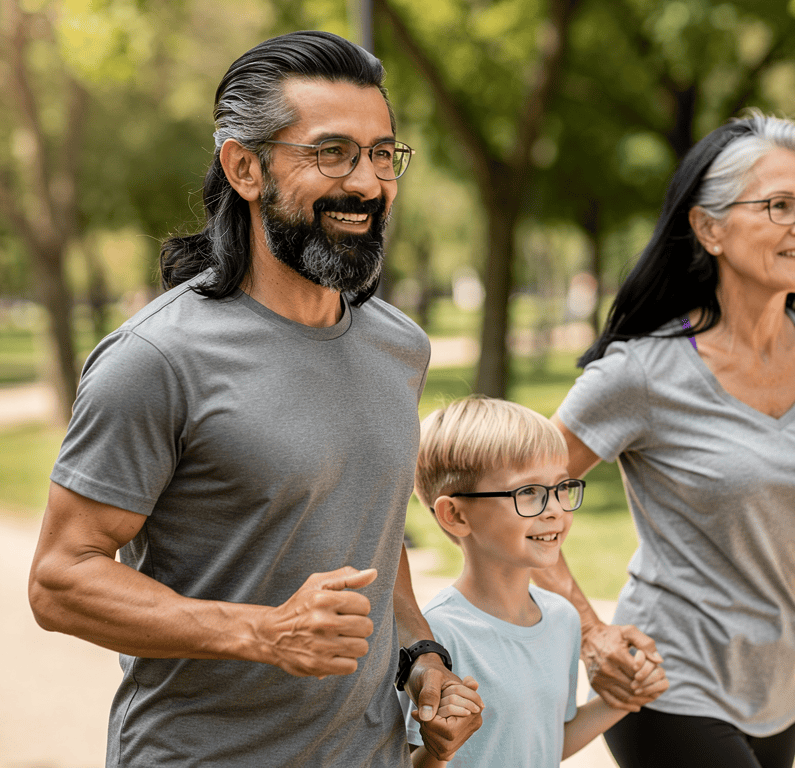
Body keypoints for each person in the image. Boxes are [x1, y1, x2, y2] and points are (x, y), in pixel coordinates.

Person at [27, 30, 482, 767]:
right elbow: (60, 580)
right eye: (332, 152)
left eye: (381, 154)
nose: (367, 184)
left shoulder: (399, 345)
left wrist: (420, 655)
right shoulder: (156, 359)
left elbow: (367, 525)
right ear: (244, 166)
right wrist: (261, 633)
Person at [531, 111, 795, 768]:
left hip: (780, 690)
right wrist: (590, 632)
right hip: (668, 682)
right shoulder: (644, 373)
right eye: (780, 205)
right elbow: (516, 494)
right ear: (709, 227)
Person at [403, 397, 669, 767]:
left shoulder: (562, 618)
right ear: (456, 515)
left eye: (562, 487)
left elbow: (545, 742)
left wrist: (623, 697)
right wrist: (437, 750)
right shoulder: (435, 638)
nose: (556, 509)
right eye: (528, 492)